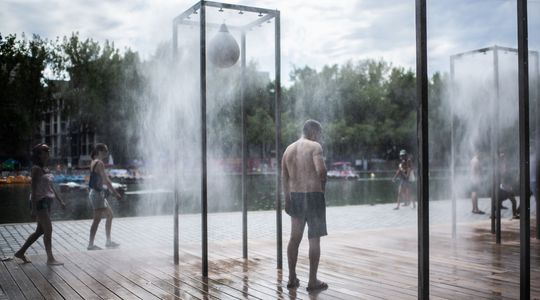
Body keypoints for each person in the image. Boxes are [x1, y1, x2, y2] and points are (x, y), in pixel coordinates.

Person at [282, 120, 328, 293]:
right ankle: (312, 281)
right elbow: (321, 171)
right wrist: (322, 189)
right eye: (320, 134)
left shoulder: (288, 150)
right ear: (314, 132)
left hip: (296, 197)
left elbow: (284, 178)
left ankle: (292, 277)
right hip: (314, 196)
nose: (320, 138)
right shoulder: (315, 146)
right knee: (314, 239)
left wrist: (287, 199)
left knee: (295, 238)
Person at [14, 143, 66, 265]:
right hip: (39, 202)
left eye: (48, 151)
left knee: (40, 231)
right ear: (39, 154)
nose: (48, 153)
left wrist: (60, 200)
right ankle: (50, 259)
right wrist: (33, 208)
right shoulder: (36, 169)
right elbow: (33, 188)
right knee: (48, 229)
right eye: (45, 151)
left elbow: (51, 187)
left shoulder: (46, 169)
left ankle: (20, 252)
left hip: (47, 202)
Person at [87, 143, 122, 250]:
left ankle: (108, 241)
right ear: (100, 151)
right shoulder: (99, 163)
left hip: (97, 193)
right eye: (105, 151)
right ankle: (91, 244)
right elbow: (106, 180)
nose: (107, 153)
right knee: (97, 219)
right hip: (97, 194)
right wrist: (115, 193)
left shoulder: (93, 162)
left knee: (109, 215)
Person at [498, 152, 519, 219]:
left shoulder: (503, 166)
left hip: (504, 188)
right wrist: (509, 189)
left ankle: (514, 214)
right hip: (503, 188)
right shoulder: (502, 169)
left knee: (512, 201)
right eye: (503, 157)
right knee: (513, 201)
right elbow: (503, 183)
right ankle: (514, 214)